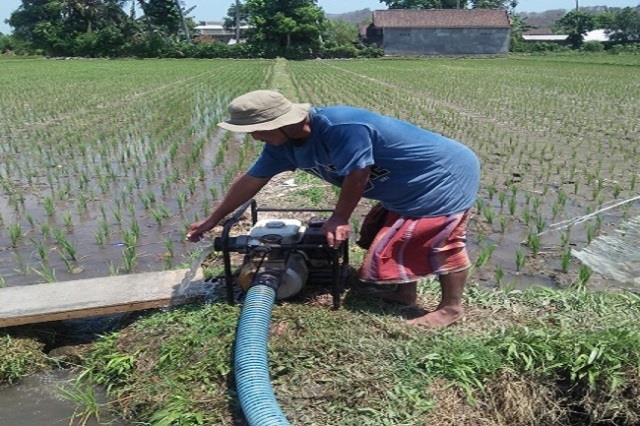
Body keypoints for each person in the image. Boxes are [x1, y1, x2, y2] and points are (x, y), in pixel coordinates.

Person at [187, 90, 480, 328]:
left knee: (437, 240)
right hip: (402, 185)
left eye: (257, 130)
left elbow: (358, 173)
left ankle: (451, 309)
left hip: (442, 174)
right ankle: (404, 292)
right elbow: (251, 180)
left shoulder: (341, 127)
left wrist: (339, 218)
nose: (255, 137)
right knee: (388, 231)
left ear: (280, 123)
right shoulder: (281, 146)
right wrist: (213, 220)